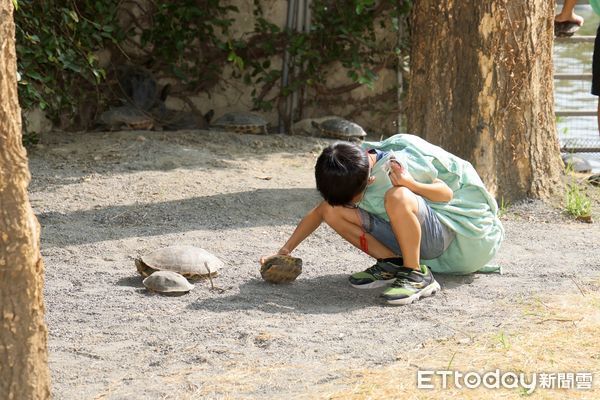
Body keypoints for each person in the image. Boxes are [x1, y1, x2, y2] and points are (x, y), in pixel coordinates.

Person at [261, 134, 504, 306]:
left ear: (368, 182)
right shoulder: (355, 162)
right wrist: (283, 251)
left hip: (461, 240)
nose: (354, 204)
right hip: (426, 239)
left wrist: (410, 184)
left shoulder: (397, 165)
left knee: (398, 196)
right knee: (331, 210)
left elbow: (445, 194)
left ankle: (417, 274)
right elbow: (318, 212)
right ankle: (392, 264)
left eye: (353, 199)